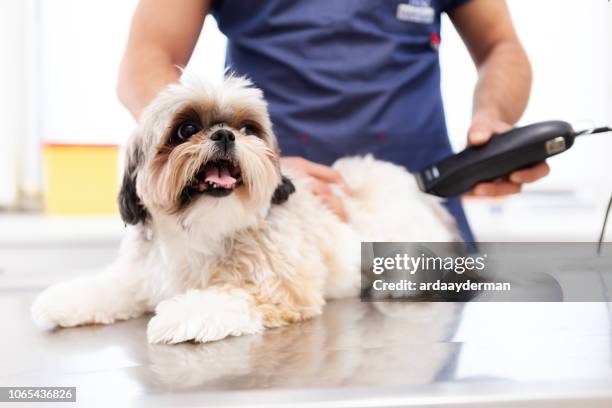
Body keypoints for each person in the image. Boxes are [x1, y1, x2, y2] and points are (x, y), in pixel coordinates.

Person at [117, 0, 549, 242]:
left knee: (425, 384)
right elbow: (148, 57)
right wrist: (255, 169)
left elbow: (501, 47)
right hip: (278, 227)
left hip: (418, 221)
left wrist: (493, 120)